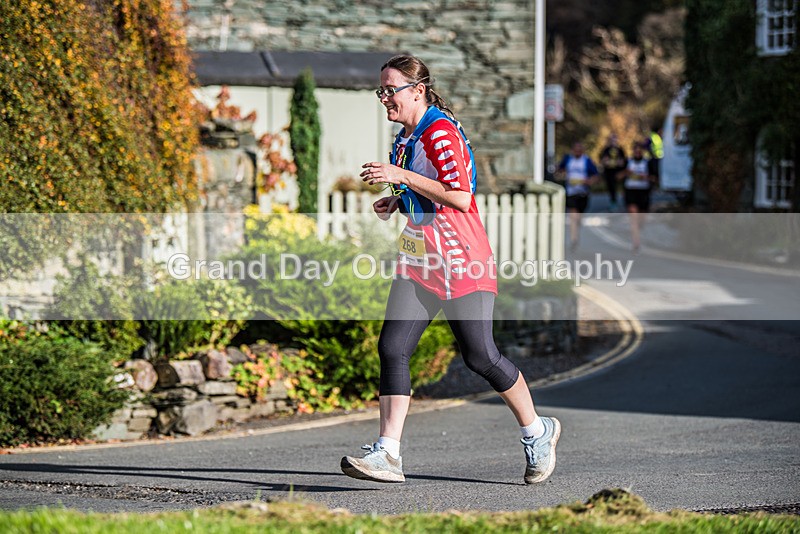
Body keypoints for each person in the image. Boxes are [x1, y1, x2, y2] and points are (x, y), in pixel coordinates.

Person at [341, 54, 561, 485]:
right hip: (421, 262)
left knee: (480, 356)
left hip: (462, 261)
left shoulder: (440, 133)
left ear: (417, 91)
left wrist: (398, 175)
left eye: (391, 90)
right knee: (393, 347)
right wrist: (398, 200)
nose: (384, 98)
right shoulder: (404, 139)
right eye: (380, 91)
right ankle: (388, 452)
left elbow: (460, 197)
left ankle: (538, 431)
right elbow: (426, 195)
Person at [556, 142, 600, 252]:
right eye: (575, 150)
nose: (577, 152)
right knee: (573, 215)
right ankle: (574, 239)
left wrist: (589, 181)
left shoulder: (587, 161)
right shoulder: (568, 160)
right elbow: (559, 170)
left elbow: (596, 175)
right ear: (572, 150)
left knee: (579, 217)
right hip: (571, 192)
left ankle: (576, 230)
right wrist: (562, 174)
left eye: (579, 150)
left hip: (583, 192)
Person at [620, 143, 657, 253]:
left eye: (639, 151)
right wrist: (626, 173)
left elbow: (655, 178)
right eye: (635, 151)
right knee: (634, 217)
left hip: (643, 192)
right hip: (630, 191)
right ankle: (636, 242)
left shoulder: (648, 163)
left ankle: (638, 231)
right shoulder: (628, 162)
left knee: (642, 218)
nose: (637, 153)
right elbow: (617, 176)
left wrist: (646, 177)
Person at [599, 133, 627, 212]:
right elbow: (603, 161)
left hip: (619, 172)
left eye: (615, 139)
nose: (614, 141)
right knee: (611, 188)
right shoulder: (606, 150)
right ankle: (613, 202)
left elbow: (623, 162)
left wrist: (612, 163)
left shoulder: (620, 149)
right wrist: (611, 162)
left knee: (623, 187)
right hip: (609, 173)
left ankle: (626, 202)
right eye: (612, 139)